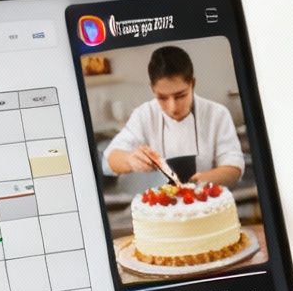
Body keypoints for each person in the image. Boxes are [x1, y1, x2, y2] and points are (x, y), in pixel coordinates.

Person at [103, 45, 245, 188]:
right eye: (162, 98)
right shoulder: (144, 115)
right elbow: (109, 160)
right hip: (161, 207)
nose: (173, 107)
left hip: (208, 201)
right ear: (153, 89)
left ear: (192, 84)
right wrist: (130, 160)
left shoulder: (217, 114)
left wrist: (195, 184)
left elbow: (234, 167)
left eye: (181, 95)